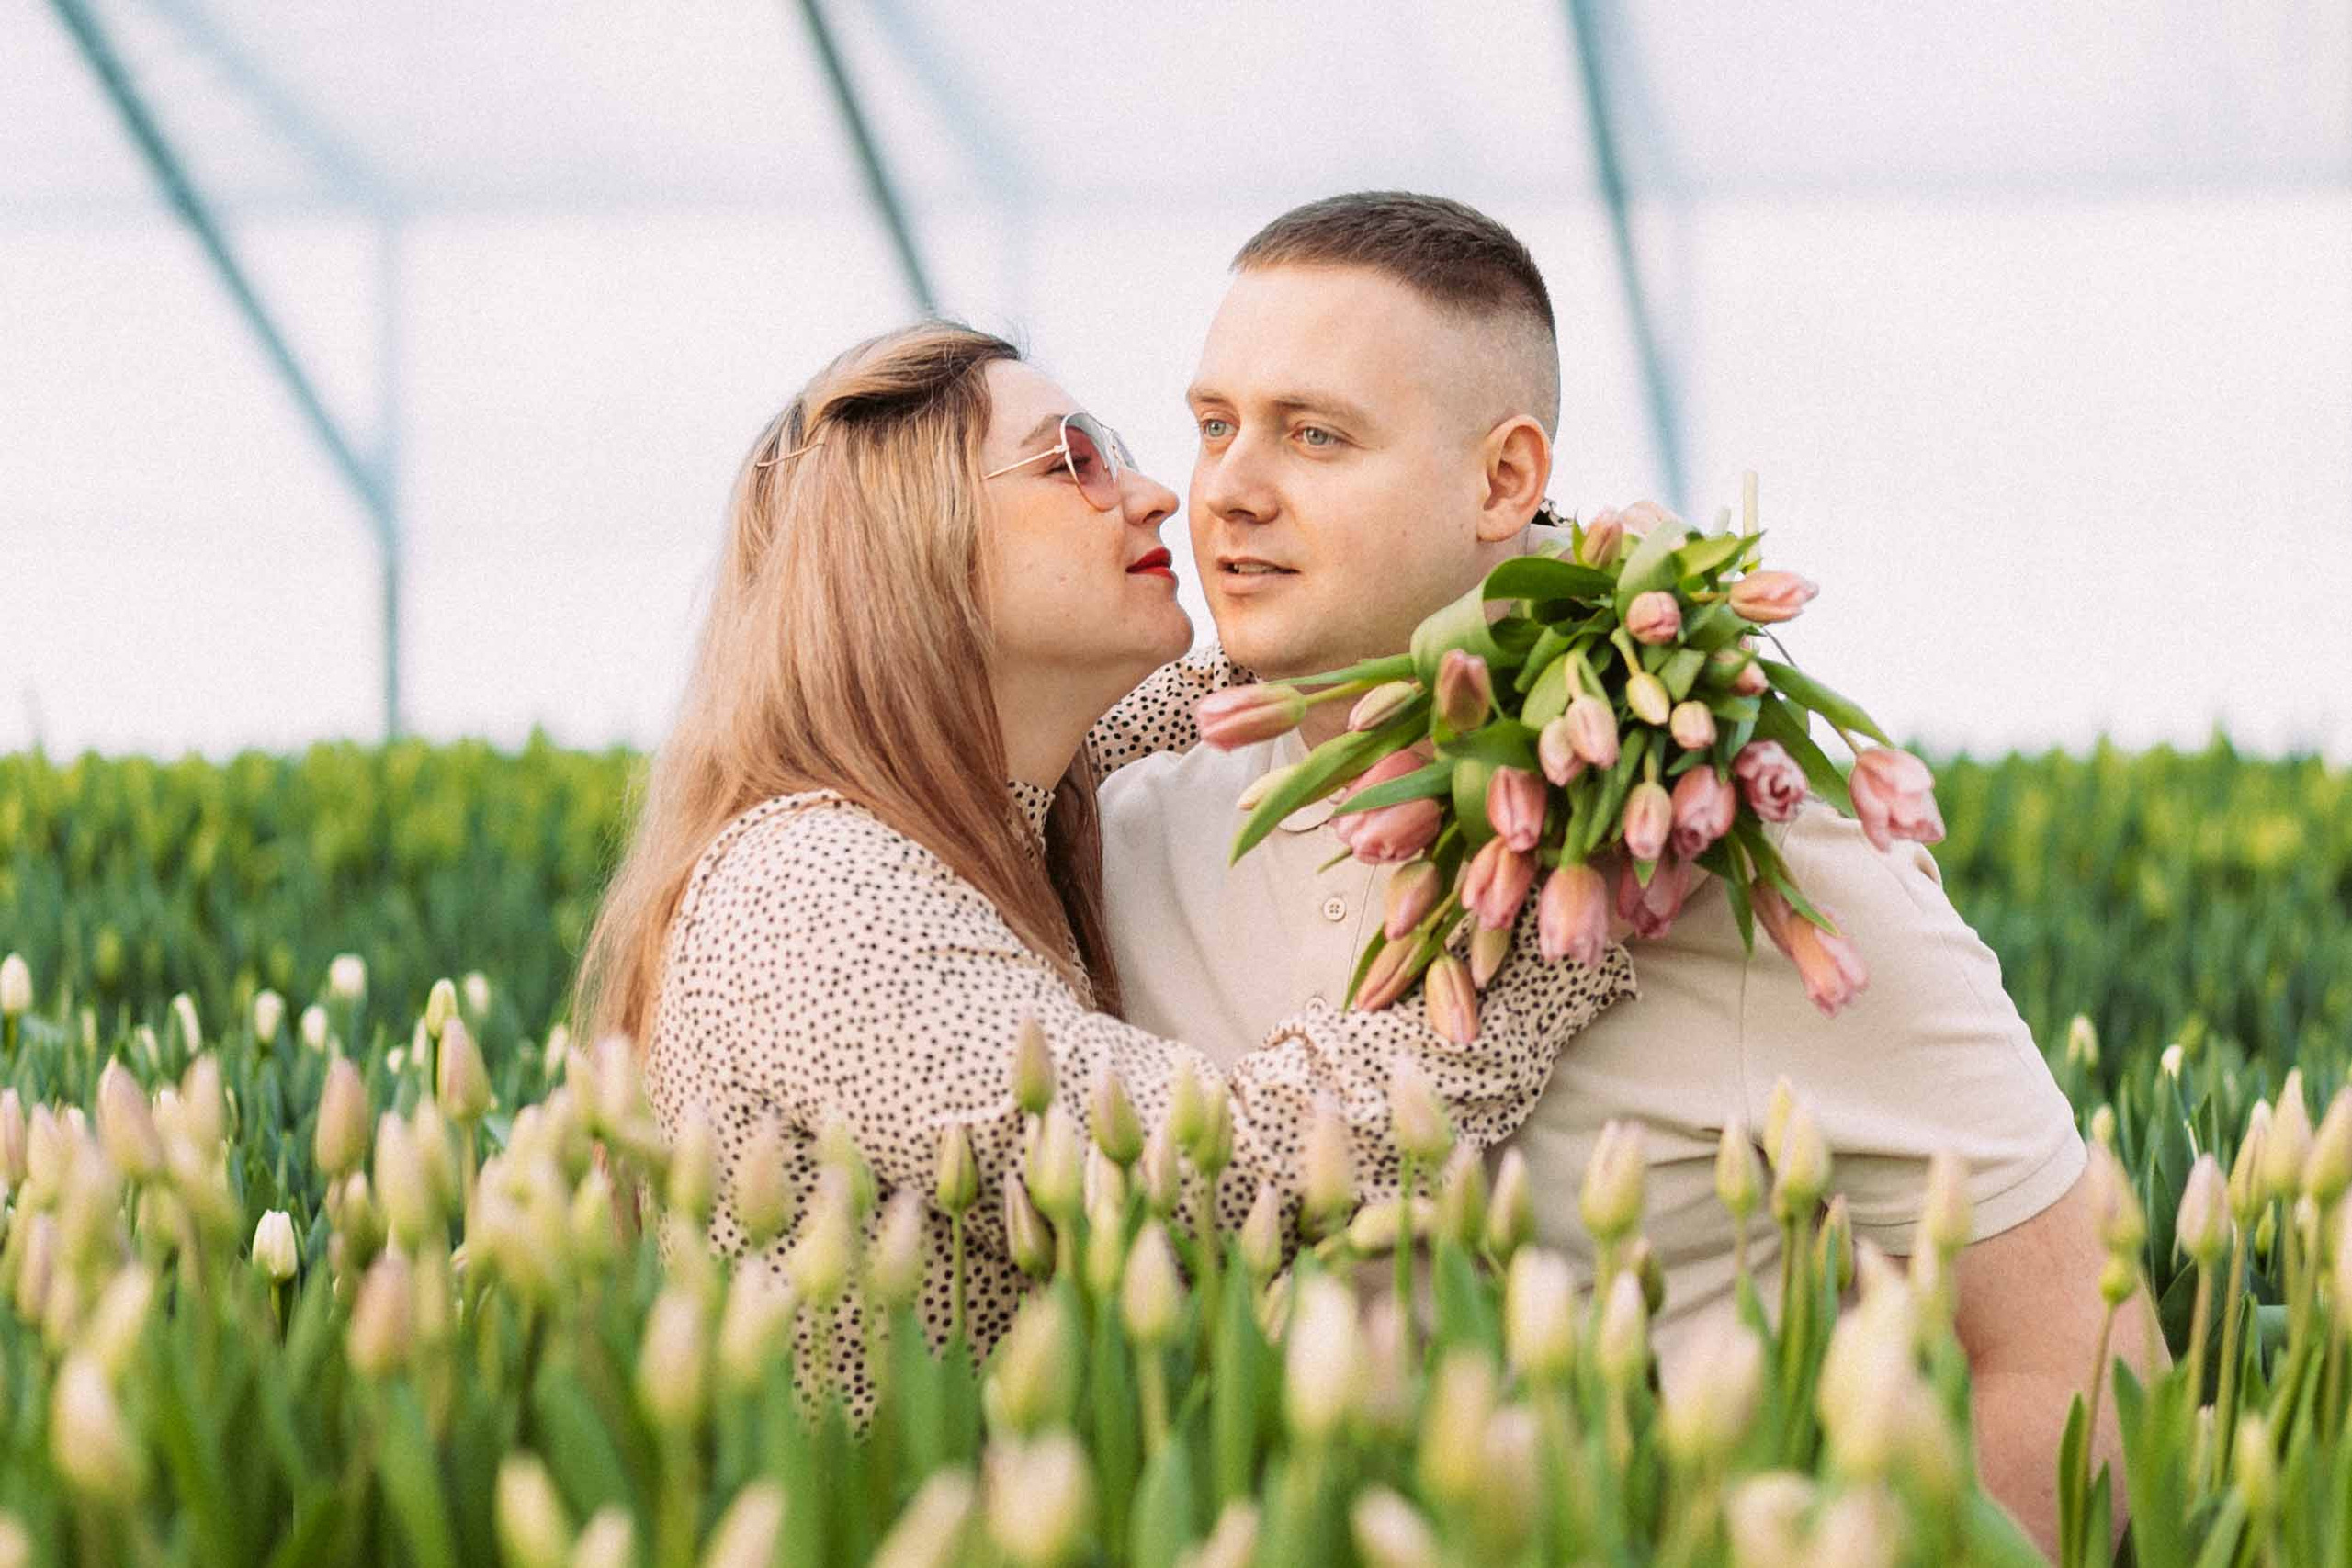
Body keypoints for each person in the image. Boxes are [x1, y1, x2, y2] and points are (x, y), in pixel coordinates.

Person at [1090, 191, 2161, 1556]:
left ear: (1504, 480)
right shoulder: (1119, 833)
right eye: (1212, 424)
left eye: (1316, 434)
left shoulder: (1747, 856)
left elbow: (2073, 1346)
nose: (1229, 488)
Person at [567, 321, 1637, 1424]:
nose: (1158, 496)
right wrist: (1541, 937)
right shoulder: (812, 895)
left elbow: (1284, 664)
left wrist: (1548, 574)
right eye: (1071, 458)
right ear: (904, 545)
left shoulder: (1000, 808)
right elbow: (1204, 1175)